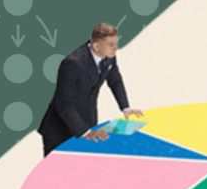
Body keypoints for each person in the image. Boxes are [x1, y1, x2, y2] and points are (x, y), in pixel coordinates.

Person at [37, 23, 143, 156]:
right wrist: (85, 132)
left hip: (88, 123)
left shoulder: (109, 56)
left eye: (116, 43)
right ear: (96, 46)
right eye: (111, 44)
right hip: (60, 130)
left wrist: (125, 107)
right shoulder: (72, 63)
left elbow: (115, 80)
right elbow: (64, 104)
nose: (116, 48)